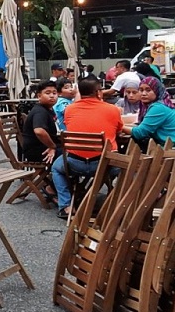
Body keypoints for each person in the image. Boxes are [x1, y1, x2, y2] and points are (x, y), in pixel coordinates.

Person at [52, 78, 124, 219]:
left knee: (56, 168)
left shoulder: (69, 109)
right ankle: (116, 204)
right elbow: (118, 130)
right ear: (98, 92)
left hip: (74, 163)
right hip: (104, 165)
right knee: (127, 167)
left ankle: (66, 206)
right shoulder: (113, 110)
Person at [121, 76, 175, 150]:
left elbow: (140, 132)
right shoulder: (152, 105)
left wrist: (119, 127)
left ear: (157, 91)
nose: (143, 93)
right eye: (141, 90)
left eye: (148, 90)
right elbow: (141, 126)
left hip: (168, 149)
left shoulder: (158, 107)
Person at [21, 81, 59, 164]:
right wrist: (52, 146)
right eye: (47, 93)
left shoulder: (48, 109)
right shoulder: (40, 111)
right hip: (38, 151)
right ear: (39, 96)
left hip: (45, 146)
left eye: (54, 93)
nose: (52, 96)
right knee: (73, 157)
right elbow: (39, 131)